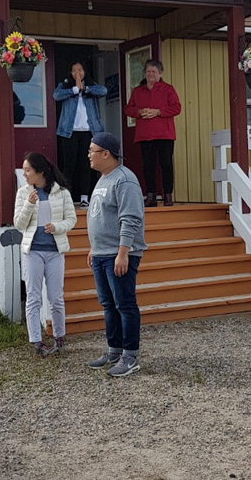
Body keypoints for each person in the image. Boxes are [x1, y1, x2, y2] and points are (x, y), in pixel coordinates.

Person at [86, 132, 146, 377]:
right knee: (108, 304)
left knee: (125, 304)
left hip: (119, 254)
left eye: (92, 150)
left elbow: (130, 218)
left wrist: (123, 252)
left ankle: (130, 357)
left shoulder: (125, 180)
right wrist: (94, 248)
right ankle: (114, 350)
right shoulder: (103, 179)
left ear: (106, 154)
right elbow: (102, 217)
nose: (88, 155)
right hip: (101, 254)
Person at [14, 152, 77, 357]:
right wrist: (29, 204)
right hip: (32, 251)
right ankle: (37, 341)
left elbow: (71, 220)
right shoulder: (23, 193)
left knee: (56, 297)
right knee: (33, 297)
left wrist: (57, 227)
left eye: (28, 170)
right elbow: (19, 224)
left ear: (40, 171)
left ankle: (59, 337)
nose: (24, 174)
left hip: (54, 251)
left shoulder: (62, 193)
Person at [124, 59, 181, 207]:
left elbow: (177, 108)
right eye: (148, 71)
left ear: (160, 74)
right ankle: (151, 196)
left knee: (166, 165)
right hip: (145, 134)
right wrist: (139, 112)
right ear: (144, 73)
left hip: (164, 134)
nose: (151, 74)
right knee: (148, 166)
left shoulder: (168, 89)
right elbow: (128, 109)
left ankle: (168, 195)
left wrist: (158, 112)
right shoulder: (138, 91)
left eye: (154, 72)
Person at [53, 60, 107, 207]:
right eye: (74, 70)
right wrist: (74, 90)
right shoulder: (64, 86)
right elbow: (56, 95)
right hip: (69, 132)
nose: (77, 73)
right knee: (68, 166)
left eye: (80, 70)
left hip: (88, 132)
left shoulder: (91, 85)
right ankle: (66, 198)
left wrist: (85, 88)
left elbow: (103, 91)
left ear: (85, 72)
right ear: (70, 73)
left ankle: (84, 198)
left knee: (86, 165)